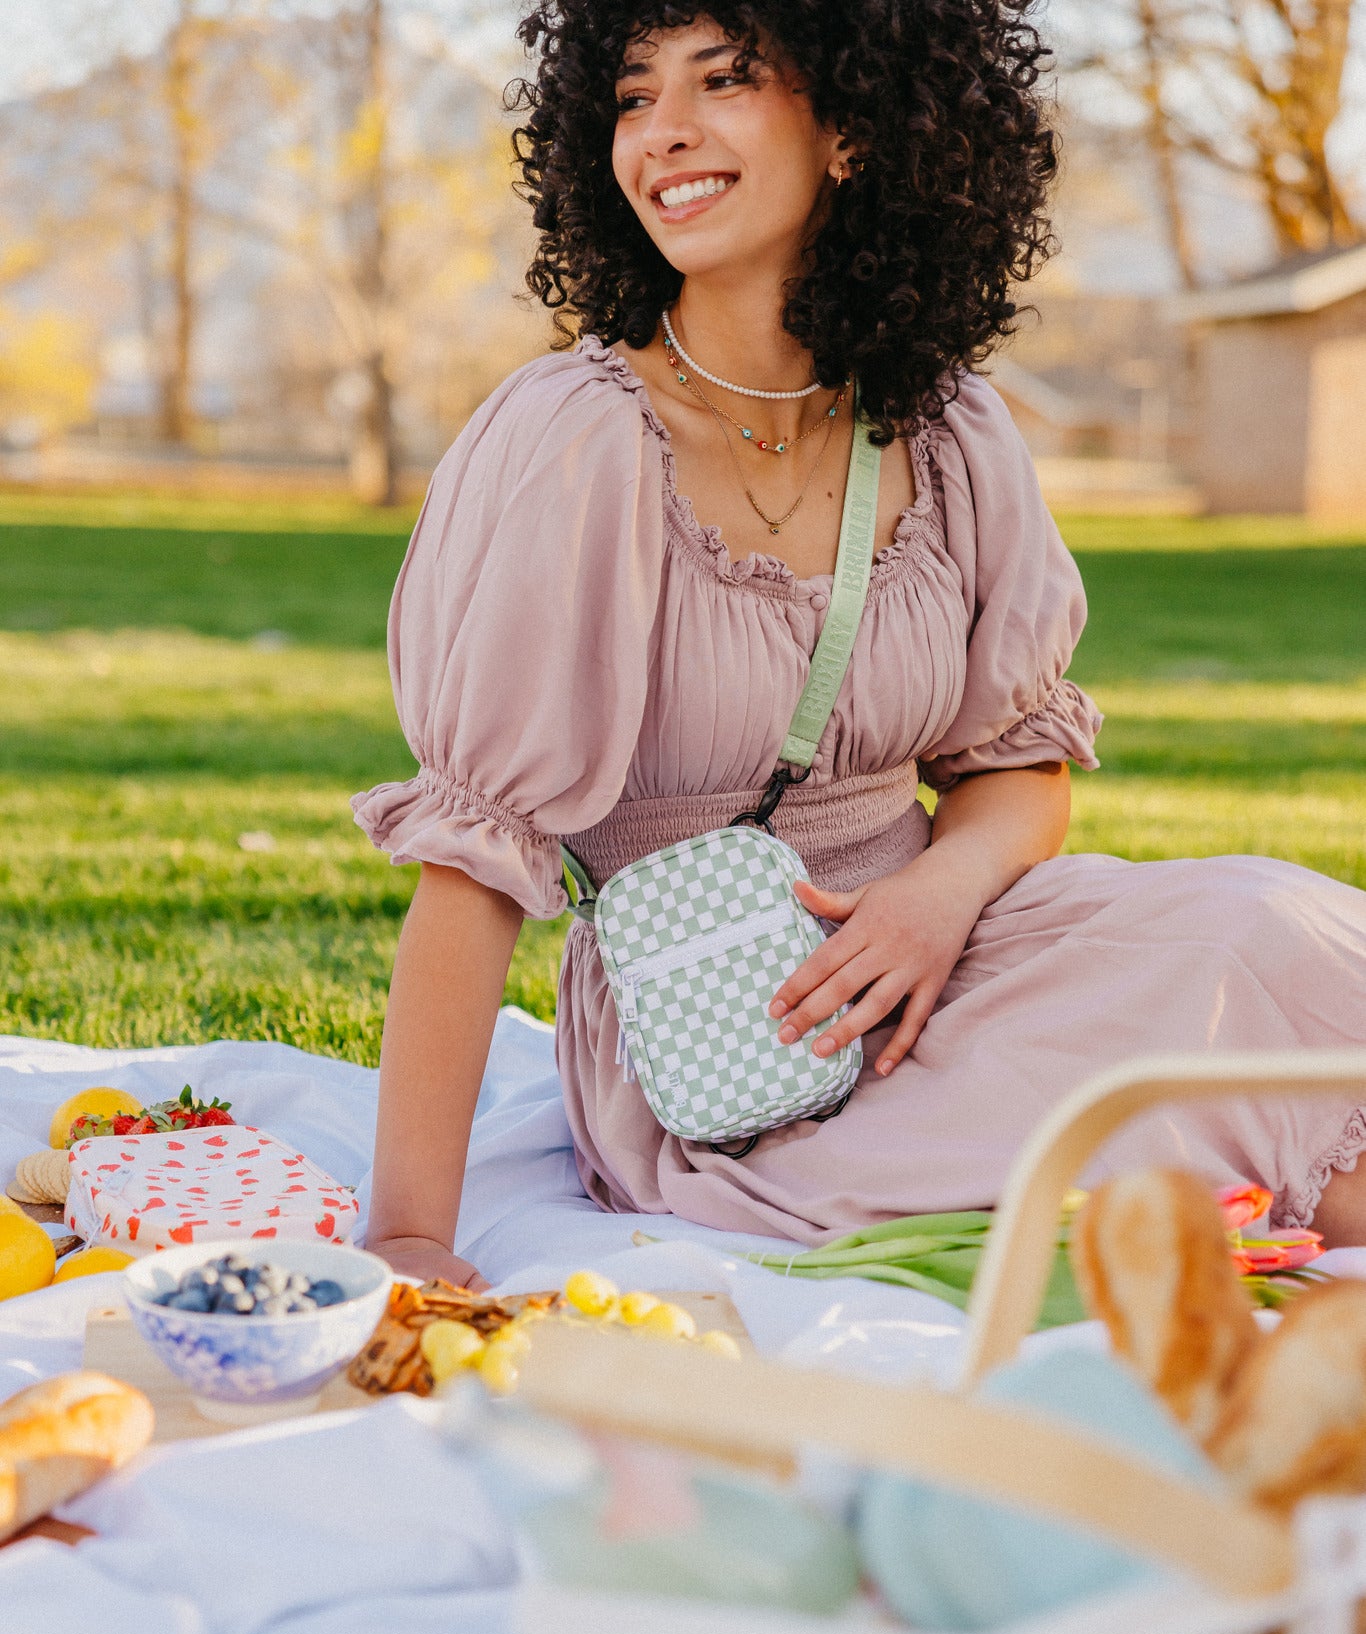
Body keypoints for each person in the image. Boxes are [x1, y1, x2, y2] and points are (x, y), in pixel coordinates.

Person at [354, 2, 1366, 1291]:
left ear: (851, 130)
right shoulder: (577, 438)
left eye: (723, 80)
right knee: (1237, 1129)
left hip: (960, 946)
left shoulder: (943, 429)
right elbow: (476, 858)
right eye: (629, 95)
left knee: (1262, 931)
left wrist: (939, 898)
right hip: (743, 1044)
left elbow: (1013, 766)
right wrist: (407, 1235)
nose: (664, 133)